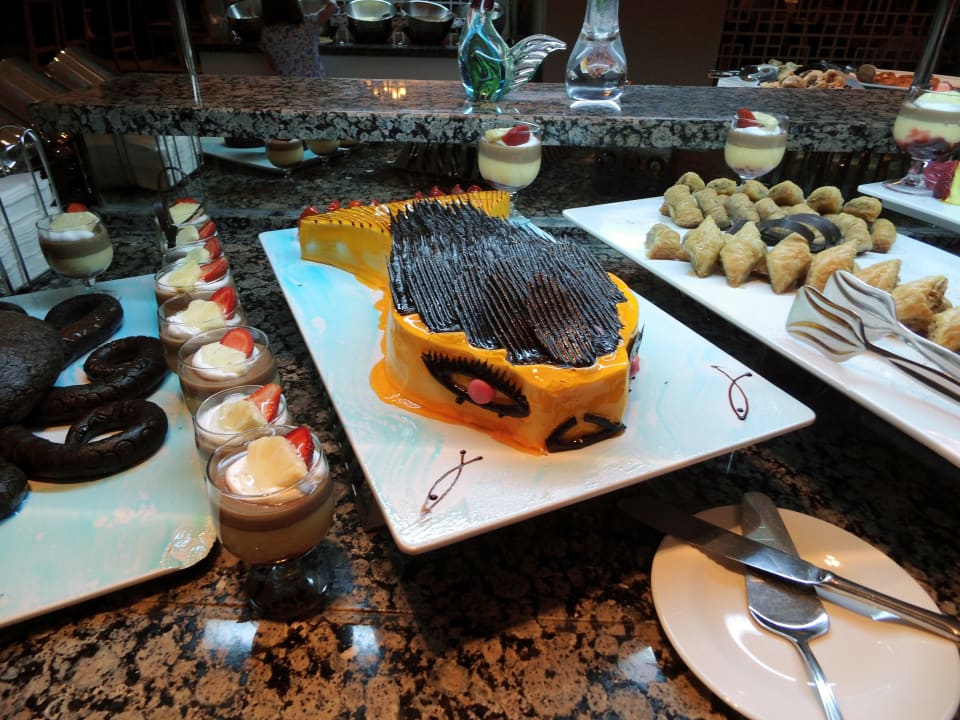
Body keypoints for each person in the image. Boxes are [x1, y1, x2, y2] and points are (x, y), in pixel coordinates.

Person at [259, 0, 335, 78]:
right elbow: (333, 6)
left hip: (287, 82)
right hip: (313, 81)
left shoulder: (267, 32)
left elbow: (272, 64)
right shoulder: (308, 22)